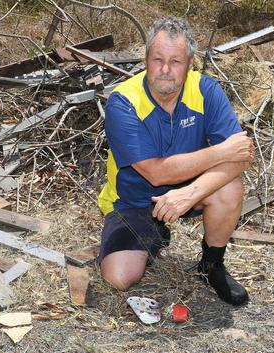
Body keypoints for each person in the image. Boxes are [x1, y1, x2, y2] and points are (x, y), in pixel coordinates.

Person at [97, 16, 254, 306]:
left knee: (230, 186)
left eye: (176, 61)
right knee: (118, 278)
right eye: (158, 59)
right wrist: (221, 152)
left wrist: (189, 193)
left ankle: (211, 265)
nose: (165, 70)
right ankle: (153, 231)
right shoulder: (123, 101)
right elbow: (155, 173)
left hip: (188, 192)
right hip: (133, 200)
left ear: (190, 63)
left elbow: (241, 156)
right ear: (145, 59)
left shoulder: (206, 91)